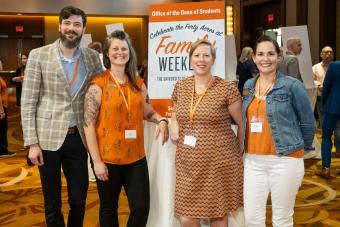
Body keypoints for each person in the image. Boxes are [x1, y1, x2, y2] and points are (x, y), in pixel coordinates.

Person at [21, 6, 103, 227]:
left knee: (78, 199)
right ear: (59, 26)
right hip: (46, 140)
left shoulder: (92, 57)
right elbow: (28, 101)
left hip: (78, 138)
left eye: (77, 24)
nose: (71, 28)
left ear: (83, 29)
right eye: (67, 23)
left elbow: (103, 92)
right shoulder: (39, 55)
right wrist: (32, 143)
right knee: (52, 201)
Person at [83, 30, 169, 227]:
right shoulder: (98, 84)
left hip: (136, 157)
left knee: (140, 207)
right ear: (107, 53)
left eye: (124, 48)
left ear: (129, 52)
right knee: (108, 208)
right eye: (115, 48)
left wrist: (160, 119)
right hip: (107, 158)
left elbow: (146, 110)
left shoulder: (138, 83)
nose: (120, 52)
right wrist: (96, 161)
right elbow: (88, 124)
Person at [242, 35, 315, 227]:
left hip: (285, 161)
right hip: (253, 162)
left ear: (279, 57)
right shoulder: (249, 86)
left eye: (270, 54)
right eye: (260, 54)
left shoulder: (292, 86)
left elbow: (308, 123)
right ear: (254, 58)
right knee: (251, 218)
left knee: (281, 219)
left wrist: (298, 151)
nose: (265, 59)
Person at [169, 39, 244, 227]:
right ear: (190, 59)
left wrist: (240, 149)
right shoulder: (181, 86)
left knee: (217, 214)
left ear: (213, 59)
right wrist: (173, 123)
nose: (201, 59)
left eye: (206, 55)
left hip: (219, 161)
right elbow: (176, 113)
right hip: (187, 161)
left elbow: (242, 124)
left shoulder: (226, 88)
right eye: (196, 55)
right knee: (187, 217)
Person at [315, 60, 340, 178]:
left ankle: (326, 168)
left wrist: (324, 103)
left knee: (326, 136)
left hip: (333, 106)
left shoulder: (334, 66)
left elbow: (327, 86)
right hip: (333, 106)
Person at [0, 59, 16, 158]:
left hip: (2, 106)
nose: (1, 65)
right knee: (2, 129)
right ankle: (3, 151)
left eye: (1, 63)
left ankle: (2, 150)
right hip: (0, 107)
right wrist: (1, 110)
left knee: (2, 129)